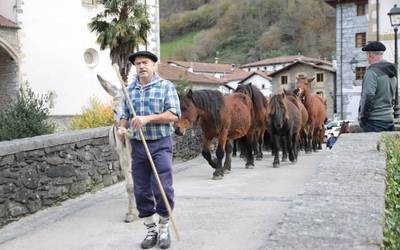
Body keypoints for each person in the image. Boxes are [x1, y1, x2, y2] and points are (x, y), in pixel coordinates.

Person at [118, 51, 181, 249]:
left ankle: (164, 227)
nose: (141, 66)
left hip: (160, 143)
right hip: (138, 146)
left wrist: (147, 119)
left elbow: (173, 114)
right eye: (137, 64)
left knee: (162, 187)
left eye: (145, 62)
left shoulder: (165, 87)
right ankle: (150, 230)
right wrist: (121, 126)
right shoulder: (130, 90)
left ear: (154, 65)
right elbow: (124, 114)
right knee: (142, 190)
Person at [358, 41, 397, 132]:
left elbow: (368, 96)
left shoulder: (372, 72)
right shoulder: (391, 70)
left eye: (367, 54)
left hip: (374, 122)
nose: (367, 57)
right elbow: (394, 96)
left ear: (370, 54)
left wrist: (363, 118)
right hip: (389, 120)